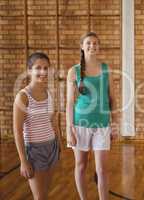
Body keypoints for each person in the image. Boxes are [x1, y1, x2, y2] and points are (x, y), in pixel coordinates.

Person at [66, 31, 117, 200]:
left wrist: (115, 124)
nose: (92, 46)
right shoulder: (74, 71)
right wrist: (69, 129)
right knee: (81, 166)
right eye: (88, 43)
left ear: (99, 47)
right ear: (82, 46)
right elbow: (69, 102)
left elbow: (112, 99)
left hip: (102, 124)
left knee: (102, 169)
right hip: (80, 123)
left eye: (95, 43)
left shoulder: (105, 69)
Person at [13, 52, 60, 200]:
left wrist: (58, 144)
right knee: (39, 197)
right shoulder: (23, 96)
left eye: (46, 68)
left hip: (51, 147)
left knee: (45, 193)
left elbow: (53, 121)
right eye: (38, 68)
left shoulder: (49, 93)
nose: (43, 72)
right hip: (34, 151)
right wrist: (23, 161)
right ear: (29, 70)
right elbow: (17, 131)